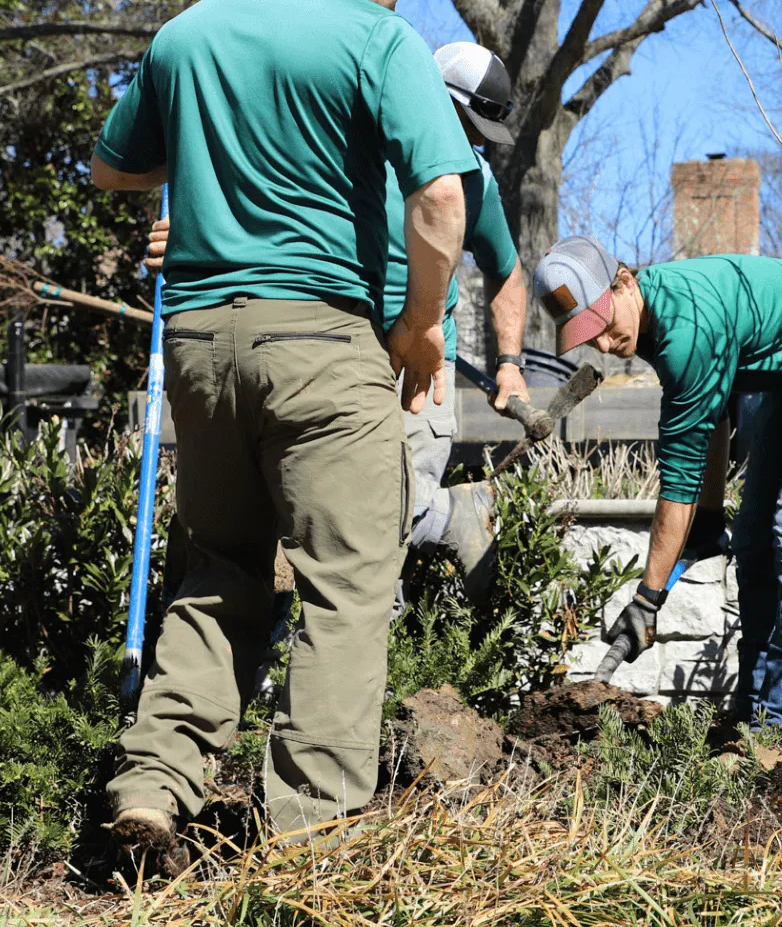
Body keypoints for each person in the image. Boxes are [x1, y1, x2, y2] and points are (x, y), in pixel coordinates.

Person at [91, 0, 479, 862]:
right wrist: (421, 325)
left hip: (202, 346)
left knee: (217, 570)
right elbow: (442, 198)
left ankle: (151, 791)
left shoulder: (189, 33)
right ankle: (313, 836)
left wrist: (219, 150)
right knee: (347, 581)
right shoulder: (377, 39)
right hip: (322, 344)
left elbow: (113, 167)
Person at [147, 41, 530, 596]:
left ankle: (434, 538)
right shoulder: (342, 146)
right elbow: (267, 215)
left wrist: (511, 362)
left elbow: (506, 271)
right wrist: (192, 235)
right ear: (427, 94)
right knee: (320, 510)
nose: (472, 140)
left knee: (380, 532)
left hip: (420, 369)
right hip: (329, 346)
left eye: (480, 132)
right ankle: (448, 518)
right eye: (467, 123)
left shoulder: (474, 179)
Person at [532, 237, 782, 762]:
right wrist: (708, 517)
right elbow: (714, 413)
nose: (605, 346)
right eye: (590, 336)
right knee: (752, 539)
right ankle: (755, 713)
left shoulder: (686, 328)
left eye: (605, 325)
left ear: (625, 281)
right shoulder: (651, 322)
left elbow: (678, 479)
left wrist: (647, 599)